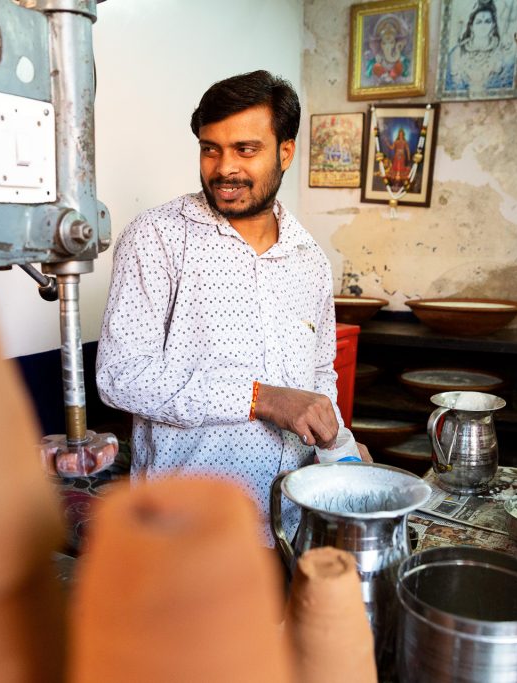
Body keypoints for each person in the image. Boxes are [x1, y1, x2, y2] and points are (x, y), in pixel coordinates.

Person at [95, 70, 369, 545]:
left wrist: (337, 443)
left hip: (292, 523)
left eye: (246, 149)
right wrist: (260, 397)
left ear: (286, 151)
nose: (224, 168)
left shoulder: (310, 261)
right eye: (210, 148)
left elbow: (320, 373)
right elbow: (120, 376)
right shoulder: (157, 239)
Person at [443, 0, 517, 96]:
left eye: (487, 21)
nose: (483, 26)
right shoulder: (456, 53)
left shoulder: (503, 53)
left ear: (493, 25)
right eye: (478, 22)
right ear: (471, 27)